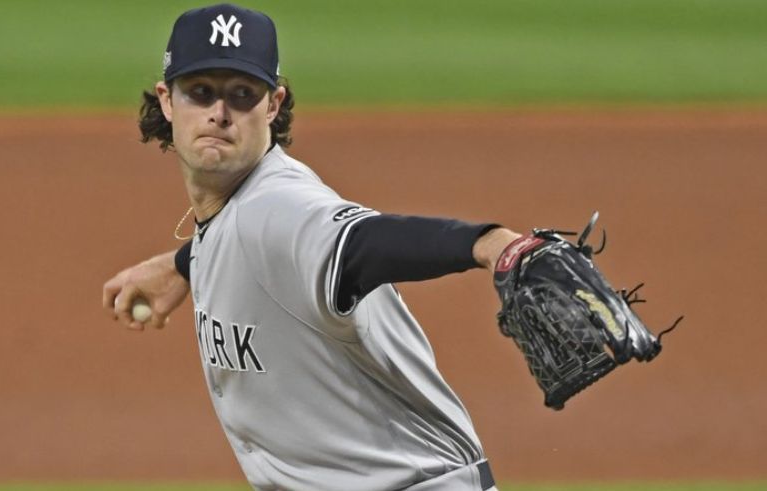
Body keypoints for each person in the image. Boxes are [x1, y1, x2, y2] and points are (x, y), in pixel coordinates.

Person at [103, 4, 521, 490]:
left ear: (272, 105)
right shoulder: (242, 208)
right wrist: (184, 264)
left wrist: (489, 243)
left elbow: (362, 244)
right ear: (168, 100)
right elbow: (244, 235)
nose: (219, 112)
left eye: (242, 94)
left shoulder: (280, 207)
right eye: (201, 92)